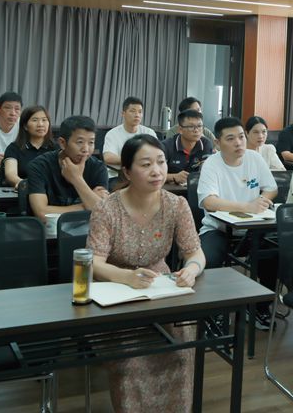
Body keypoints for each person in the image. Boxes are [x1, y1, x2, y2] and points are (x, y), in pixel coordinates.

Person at [87, 134, 205, 412]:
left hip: (160, 290)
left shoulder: (176, 205)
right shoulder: (107, 208)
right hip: (116, 294)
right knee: (131, 360)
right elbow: (93, 263)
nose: (157, 171)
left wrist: (191, 269)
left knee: (181, 351)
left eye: (161, 162)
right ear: (127, 172)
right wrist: (126, 277)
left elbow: (195, 252)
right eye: (146, 164)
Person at [197, 117, 278, 328]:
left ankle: (260, 307)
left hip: (252, 229)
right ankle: (212, 312)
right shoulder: (212, 164)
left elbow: (271, 188)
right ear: (217, 143)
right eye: (230, 138)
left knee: (273, 255)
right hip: (218, 229)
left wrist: (262, 201)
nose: (238, 143)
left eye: (241, 137)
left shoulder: (255, 159)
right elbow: (209, 201)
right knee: (207, 259)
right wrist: (246, 207)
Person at [28, 115, 109, 222]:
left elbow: (103, 213)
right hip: (52, 229)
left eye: (91, 142)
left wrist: (76, 179)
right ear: (62, 143)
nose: (86, 149)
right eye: (80, 142)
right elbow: (42, 214)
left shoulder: (98, 167)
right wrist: (87, 205)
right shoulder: (39, 166)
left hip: (87, 229)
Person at [1, 105, 56, 187]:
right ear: (25, 126)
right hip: (24, 190)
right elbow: (11, 175)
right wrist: (28, 185)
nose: (40, 124)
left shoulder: (56, 148)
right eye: (35, 120)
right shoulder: (14, 148)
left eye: (44, 120)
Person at [161, 109, 213, 184]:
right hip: (171, 188)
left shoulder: (206, 144)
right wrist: (174, 176)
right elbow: (155, 174)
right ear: (180, 129)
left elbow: (209, 171)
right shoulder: (166, 146)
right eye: (191, 126)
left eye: (199, 126)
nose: (196, 130)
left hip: (196, 187)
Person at [102, 97, 157, 168]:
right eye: (133, 111)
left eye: (140, 112)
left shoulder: (149, 132)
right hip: (118, 173)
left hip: (143, 172)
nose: (137, 115)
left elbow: (157, 154)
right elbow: (108, 158)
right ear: (123, 113)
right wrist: (134, 161)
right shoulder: (112, 134)